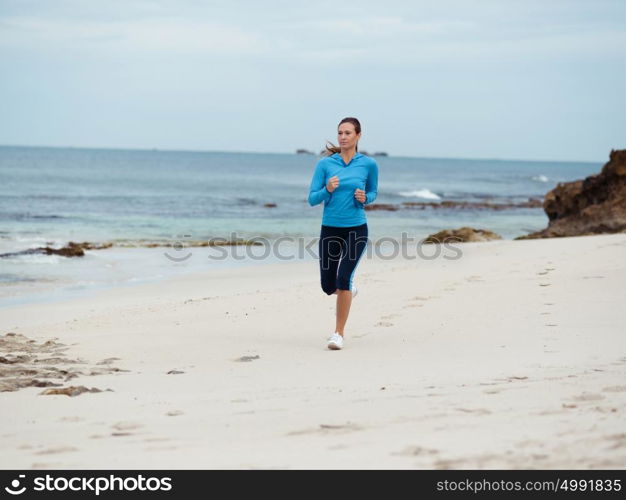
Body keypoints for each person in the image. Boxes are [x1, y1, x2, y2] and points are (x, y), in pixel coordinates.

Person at [307, 117, 379, 350]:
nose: (343, 137)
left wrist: (365, 198)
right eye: (340, 133)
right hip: (330, 229)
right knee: (329, 286)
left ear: (358, 135)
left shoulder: (368, 165)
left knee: (344, 278)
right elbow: (311, 199)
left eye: (348, 133)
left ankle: (338, 333)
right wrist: (327, 189)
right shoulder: (325, 165)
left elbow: (373, 192)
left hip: (356, 228)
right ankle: (348, 288)